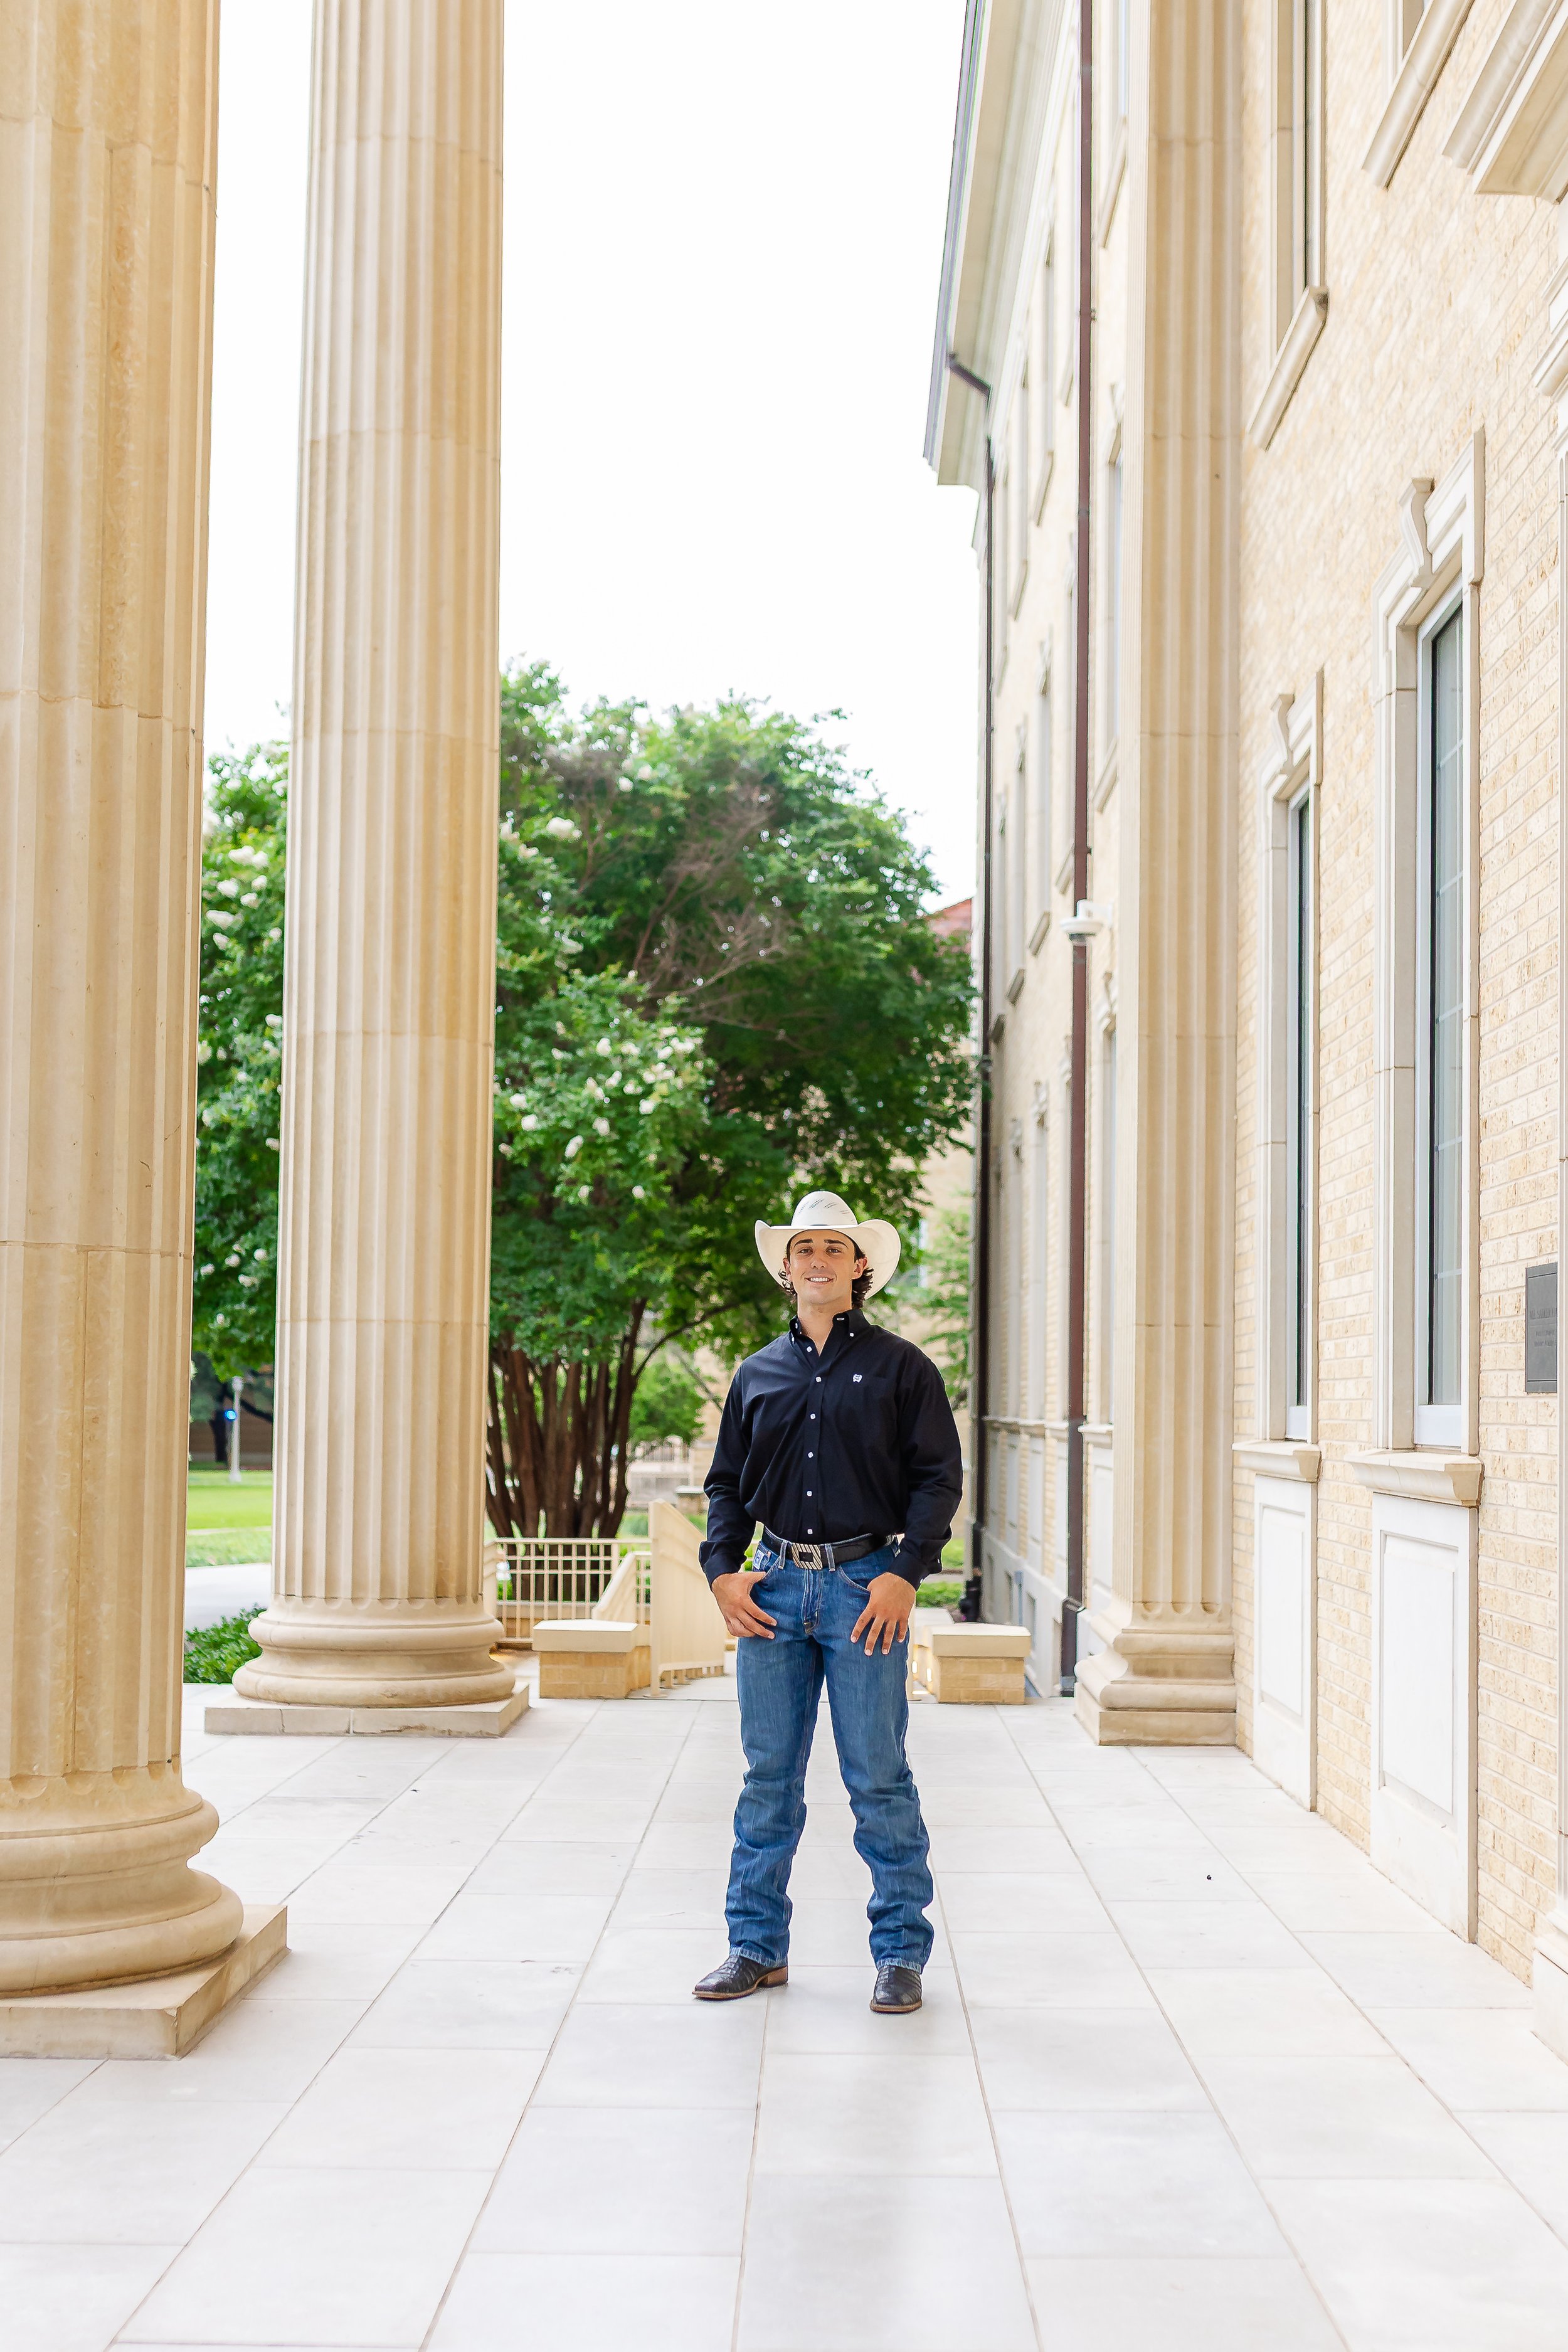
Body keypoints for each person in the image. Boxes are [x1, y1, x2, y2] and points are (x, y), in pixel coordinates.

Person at [693, 1189, 963, 2015]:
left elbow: (937, 1479)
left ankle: (899, 1953)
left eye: (833, 1247)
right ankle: (755, 1945)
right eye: (803, 1246)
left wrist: (905, 1571)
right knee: (767, 1777)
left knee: (878, 1777)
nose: (817, 1258)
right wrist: (721, 1570)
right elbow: (728, 1485)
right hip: (773, 1587)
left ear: (860, 1267)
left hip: (863, 1590)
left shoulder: (903, 1369)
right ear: (786, 1266)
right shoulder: (758, 1374)